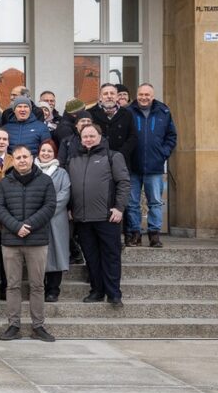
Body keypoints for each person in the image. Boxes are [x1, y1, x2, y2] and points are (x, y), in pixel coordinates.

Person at [0, 144, 57, 342]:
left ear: (32, 158)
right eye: (18, 157)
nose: (22, 160)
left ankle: (38, 326)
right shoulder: (6, 182)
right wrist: (15, 226)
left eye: (25, 157)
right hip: (11, 241)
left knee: (37, 285)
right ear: (14, 160)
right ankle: (14, 325)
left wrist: (28, 225)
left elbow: (50, 206)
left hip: (36, 241)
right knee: (12, 285)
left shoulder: (45, 181)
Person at [68, 123, 130, 307]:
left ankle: (114, 293)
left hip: (107, 217)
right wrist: (70, 208)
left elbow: (124, 183)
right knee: (92, 258)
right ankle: (96, 291)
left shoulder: (113, 156)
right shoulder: (73, 159)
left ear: (100, 137)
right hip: (82, 219)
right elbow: (70, 187)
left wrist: (119, 208)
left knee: (111, 256)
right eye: (84, 136)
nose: (88, 139)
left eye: (91, 136)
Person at [127, 83, 177, 248]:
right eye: (141, 94)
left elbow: (171, 136)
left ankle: (154, 235)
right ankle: (135, 234)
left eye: (147, 95)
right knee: (132, 203)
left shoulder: (164, 112)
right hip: (132, 166)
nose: (143, 97)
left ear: (152, 96)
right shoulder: (128, 112)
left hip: (155, 166)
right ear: (137, 95)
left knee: (155, 202)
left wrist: (163, 153)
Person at [36, 140, 71, 303]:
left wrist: (46, 211)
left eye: (49, 151)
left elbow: (64, 194)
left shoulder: (61, 173)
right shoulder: (32, 170)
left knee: (56, 253)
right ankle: (39, 288)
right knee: (38, 254)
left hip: (56, 219)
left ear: (54, 153)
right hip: (36, 219)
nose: (46, 154)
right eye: (43, 151)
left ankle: (53, 289)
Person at [89, 83, 137, 167]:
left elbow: (132, 137)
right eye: (105, 94)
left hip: (121, 160)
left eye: (112, 93)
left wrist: (120, 154)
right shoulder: (90, 113)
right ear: (100, 97)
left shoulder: (127, 114)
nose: (109, 96)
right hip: (97, 160)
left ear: (117, 97)